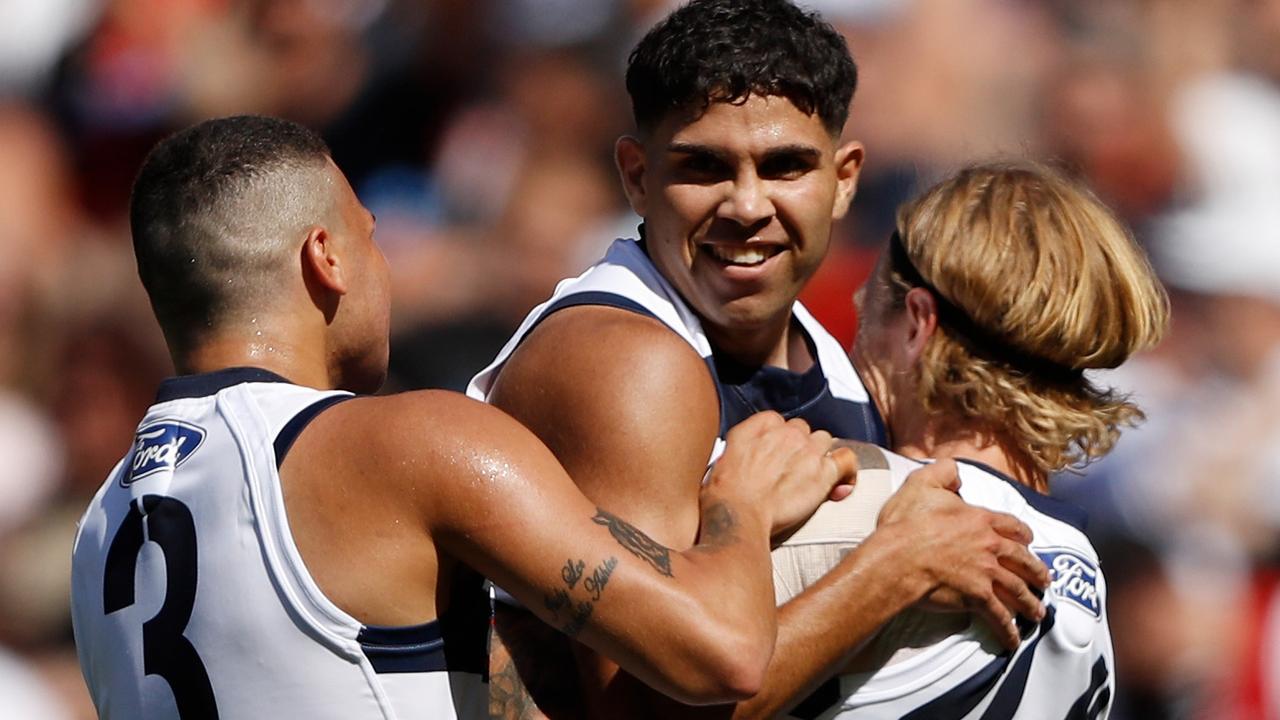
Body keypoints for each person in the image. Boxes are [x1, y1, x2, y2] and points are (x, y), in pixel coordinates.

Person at [68, 115, 861, 719]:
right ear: (326, 259)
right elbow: (719, 655)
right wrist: (743, 505)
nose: (385, 270)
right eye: (371, 239)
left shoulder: (97, 529)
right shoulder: (406, 444)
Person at [466, 1, 1050, 717]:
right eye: (704, 166)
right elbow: (639, 712)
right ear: (635, 175)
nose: (746, 205)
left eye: (784, 167)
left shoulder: (838, 368)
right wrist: (891, 571)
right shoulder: (624, 362)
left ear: (844, 179)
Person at [768, 162, 1170, 718]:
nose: (854, 345)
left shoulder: (847, 507)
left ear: (917, 324)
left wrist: (733, 516)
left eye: (869, 306)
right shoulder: (1086, 577)